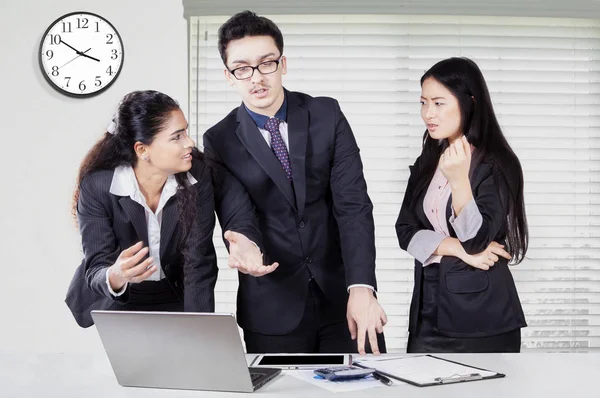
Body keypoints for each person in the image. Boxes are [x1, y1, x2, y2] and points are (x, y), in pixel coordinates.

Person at [203, 10, 387, 354]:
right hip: (272, 306)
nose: (256, 78)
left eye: (266, 63)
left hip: (345, 297)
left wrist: (362, 286)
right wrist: (243, 243)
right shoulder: (219, 139)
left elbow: (353, 206)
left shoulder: (326, 114)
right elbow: (236, 212)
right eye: (242, 68)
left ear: (282, 64)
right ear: (229, 77)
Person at [65, 90, 260, 328]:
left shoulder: (197, 176)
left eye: (185, 132)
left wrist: (200, 330)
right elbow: (96, 266)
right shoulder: (99, 186)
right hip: (119, 301)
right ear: (142, 150)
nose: (189, 142)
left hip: (175, 294)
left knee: (189, 360)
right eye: (176, 137)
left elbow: (198, 262)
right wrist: (116, 275)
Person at [395, 57, 529, 353]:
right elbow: (404, 231)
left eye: (439, 103)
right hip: (426, 309)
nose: (428, 113)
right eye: (423, 102)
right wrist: (456, 250)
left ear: (469, 102)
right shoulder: (427, 160)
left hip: (480, 315)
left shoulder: (496, 164)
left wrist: (459, 181)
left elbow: (477, 240)